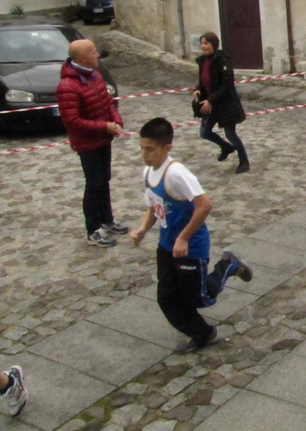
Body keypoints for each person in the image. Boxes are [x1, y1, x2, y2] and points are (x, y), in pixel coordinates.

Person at [130, 118, 253, 354]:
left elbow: (205, 205)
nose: (144, 154)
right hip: (166, 247)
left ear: (167, 149)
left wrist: (183, 237)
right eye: (142, 148)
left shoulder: (176, 174)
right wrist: (143, 229)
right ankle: (203, 334)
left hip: (190, 247)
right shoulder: (147, 172)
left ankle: (229, 264)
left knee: (200, 298)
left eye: (150, 149)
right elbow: (153, 207)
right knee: (167, 299)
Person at [57, 39, 127, 248]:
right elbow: (73, 121)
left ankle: (107, 219)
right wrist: (104, 126)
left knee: (104, 180)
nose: (98, 55)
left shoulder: (96, 75)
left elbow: (108, 102)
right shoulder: (67, 86)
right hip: (87, 143)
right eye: (94, 52)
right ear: (82, 58)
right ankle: (93, 229)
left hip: (103, 139)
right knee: (94, 184)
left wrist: (116, 120)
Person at [193, 32, 250, 174]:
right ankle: (226, 147)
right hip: (209, 104)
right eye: (201, 43)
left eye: (206, 43)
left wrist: (211, 100)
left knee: (231, 134)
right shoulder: (203, 61)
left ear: (213, 44)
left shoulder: (222, 61)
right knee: (204, 132)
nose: (203, 46)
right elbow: (203, 81)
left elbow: (227, 85)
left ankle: (244, 161)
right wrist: (197, 89)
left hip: (225, 104)